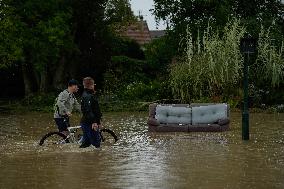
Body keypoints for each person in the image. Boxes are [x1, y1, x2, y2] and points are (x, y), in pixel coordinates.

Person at [79, 77, 102, 148]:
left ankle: (79, 157)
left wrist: (99, 121)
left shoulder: (88, 94)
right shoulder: (88, 96)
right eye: (94, 84)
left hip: (87, 122)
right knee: (96, 145)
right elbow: (88, 110)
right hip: (89, 124)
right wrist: (94, 122)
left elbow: (94, 109)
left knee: (86, 144)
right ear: (92, 85)